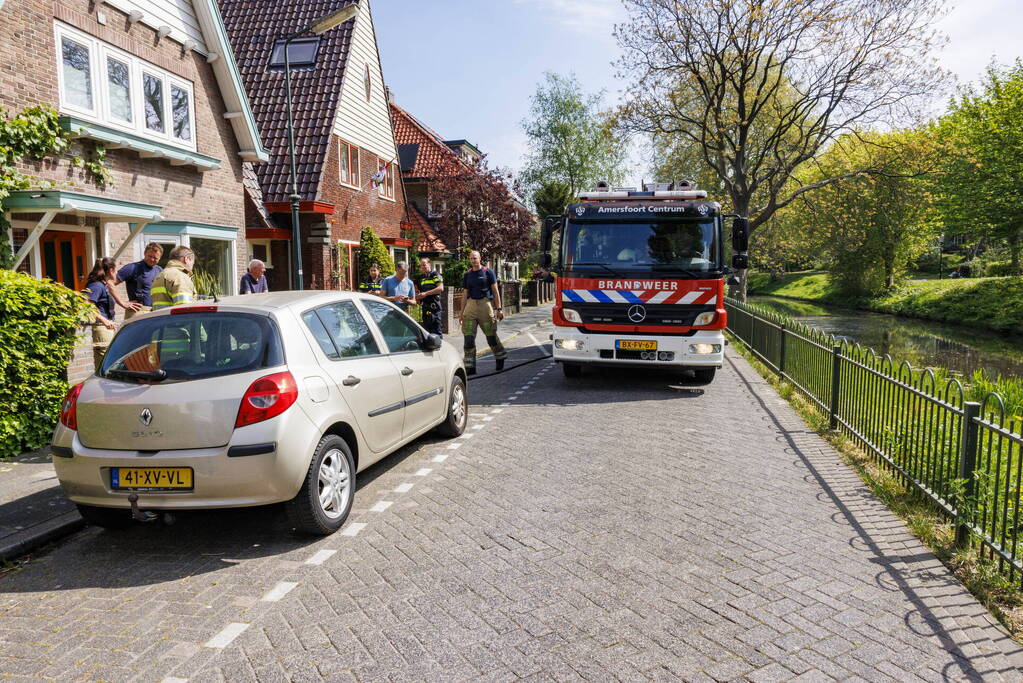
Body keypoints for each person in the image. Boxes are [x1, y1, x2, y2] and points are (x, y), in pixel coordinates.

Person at [461, 250, 507, 374]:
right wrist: (461, 313)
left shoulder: (488, 272)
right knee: (468, 337)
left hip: (485, 306)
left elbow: (495, 291)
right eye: (471, 259)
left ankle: (500, 357)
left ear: (480, 258)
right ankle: (470, 367)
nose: (473, 261)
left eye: (475, 258)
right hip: (470, 307)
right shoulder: (467, 275)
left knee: (490, 336)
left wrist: (499, 309)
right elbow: (465, 294)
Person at [84, 257, 118, 371]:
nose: (117, 273)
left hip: (106, 329)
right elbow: (86, 305)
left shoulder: (103, 285)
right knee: (104, 366)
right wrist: (105, 320)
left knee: (109, 364)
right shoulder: (97, 285)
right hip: (101, 329)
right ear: (111, 270)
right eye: (116, 270)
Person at [115, 242, 163, 319]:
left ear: (160, 258)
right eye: (149, 256)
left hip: (154, 312)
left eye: (155, 258)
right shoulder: (132, 268)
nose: (152, 259)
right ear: (144, 253)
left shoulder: (160, 270)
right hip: (137, 312)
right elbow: (109, 283)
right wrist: (122, 303)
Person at [415, 256, 445, 336]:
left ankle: (440, 347)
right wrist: (418, 297)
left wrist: (426, 294)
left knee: (437, 330)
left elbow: (440, 288)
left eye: (424, 264)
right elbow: (418, 291)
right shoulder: (421, 278)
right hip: (425, 308)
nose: (423, 267)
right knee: (427, 332)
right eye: (421, 265)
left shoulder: (435, 274)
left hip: (435, 308)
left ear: (429, 264)